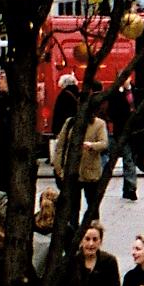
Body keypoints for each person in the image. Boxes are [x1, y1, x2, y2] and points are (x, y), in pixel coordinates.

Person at [54, 95, 111, 223]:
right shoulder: (70, 123)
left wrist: (92, 146)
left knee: (92, 206)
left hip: (91, 172)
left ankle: (92, 230)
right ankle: (73, 231)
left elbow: (104, 143)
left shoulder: (99, 124)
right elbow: (60, 146)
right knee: (73, 208)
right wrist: (59, 169)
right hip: (72, 172)